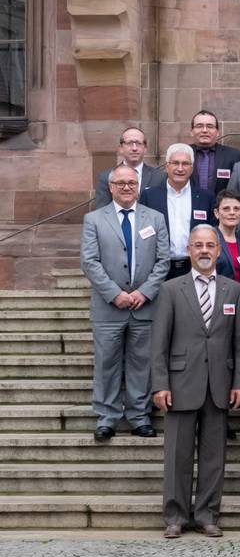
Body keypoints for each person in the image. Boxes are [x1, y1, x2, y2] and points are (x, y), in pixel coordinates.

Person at [151, 225, 240, 539]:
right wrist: (160, 384)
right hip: (180, 383)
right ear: (189, 250)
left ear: (219, 251)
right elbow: (159, 343)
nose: (204, 250)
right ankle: (176, 516)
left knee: (213, 455)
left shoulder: (233, 289)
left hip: (219, 383)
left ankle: (208, 514)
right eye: (198, 246)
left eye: (210, 245)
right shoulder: (170, 289)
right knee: (177, 455)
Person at [81, 164, 170, 441]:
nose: (127, 187)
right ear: (111, 187)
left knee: (141, 364)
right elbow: (89, 261)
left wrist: (144, 292)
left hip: (144, 306)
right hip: (109, 307)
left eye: (132, 182)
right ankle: (107, 417)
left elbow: (163, 260)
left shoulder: (155, 219)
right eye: (120, 183)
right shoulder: (94, 219)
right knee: (106, 362)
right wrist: (114, 293)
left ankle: (139, 416)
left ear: (138, 185)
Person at [139, 143, 218, 279]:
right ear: (167, 166)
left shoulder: (206, 198)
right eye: (175, 163)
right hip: (159, 268)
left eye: (185, 163)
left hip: (194, 267)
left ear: (192, 168)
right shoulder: (149, 196)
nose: (180, 168)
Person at [94, 127, 166, 208]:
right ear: (121, 148)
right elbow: (102, 211)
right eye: (130, 143)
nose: (134, 148)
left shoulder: (160, 177)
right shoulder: (106, 177)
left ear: (145, 148)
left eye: (138, 143)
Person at [189, 110, 240, 195]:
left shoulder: (234, 156)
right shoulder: (181, 154)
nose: (204, 130)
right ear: (192, 132)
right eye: (199, 126)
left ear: (218, 132)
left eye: (210, 126)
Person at [213, 190, 240, 283]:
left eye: (236, 209)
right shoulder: (208, 240)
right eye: (226, 208)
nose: (232, 212)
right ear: (216, 213)